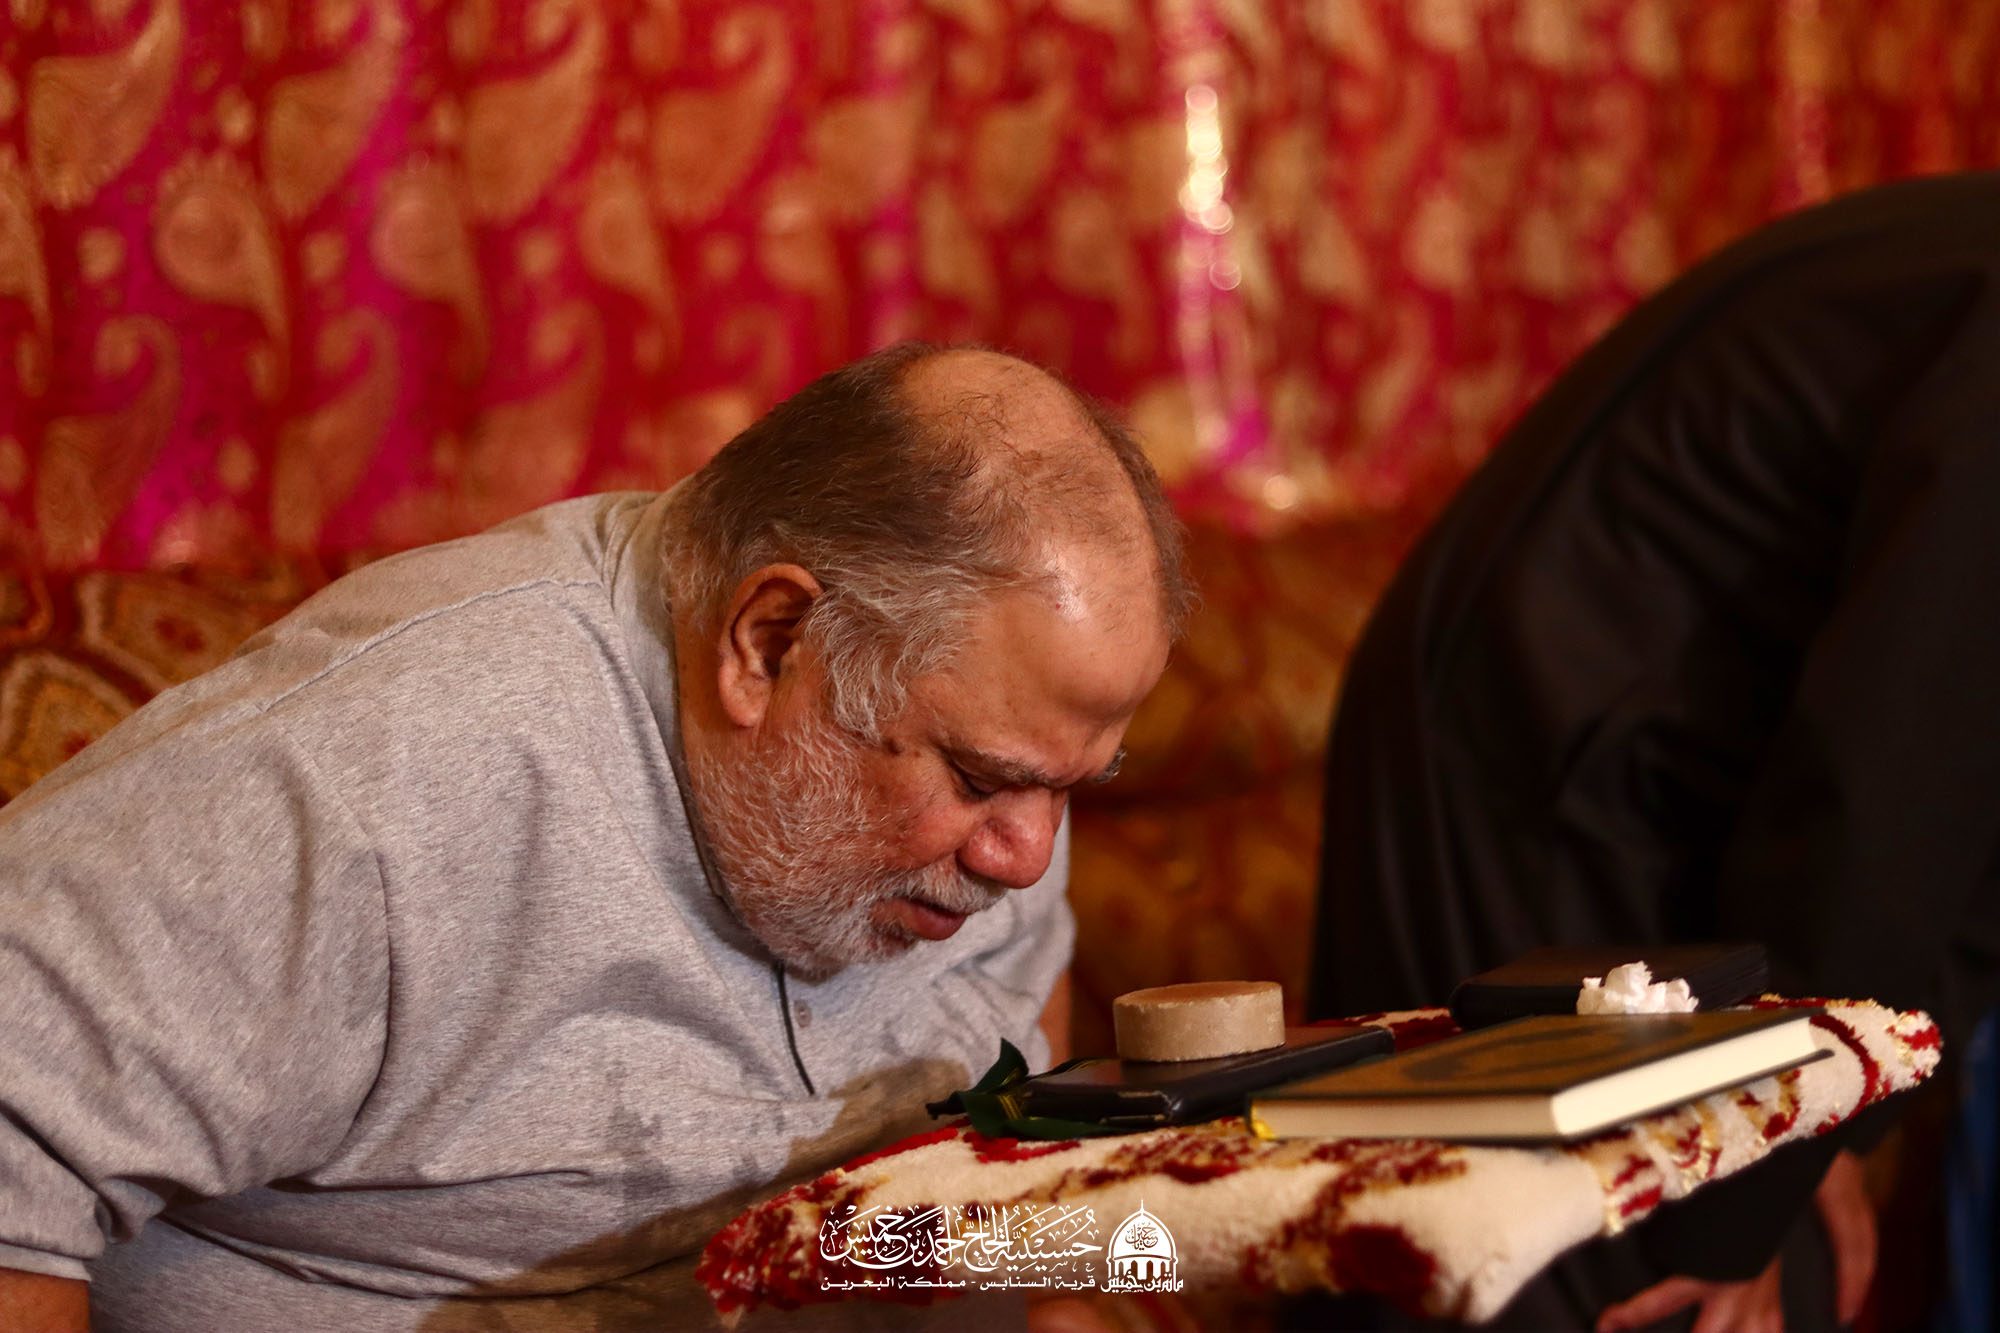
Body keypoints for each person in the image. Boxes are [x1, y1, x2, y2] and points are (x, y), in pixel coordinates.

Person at [0, 344, 1191, 1331]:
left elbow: (1008, 1131)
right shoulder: (377, 777)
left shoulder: (1001, 772)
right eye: (980, 779)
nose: (1025, 859)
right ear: (769, 642)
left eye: (1071, 787)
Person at [1308, 172, 2000, 1330]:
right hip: (1531, 724)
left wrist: (1836, 1123)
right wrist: (1758, 1179)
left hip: (1681, 765)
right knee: (1588, 1268)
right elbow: (1884, 791)